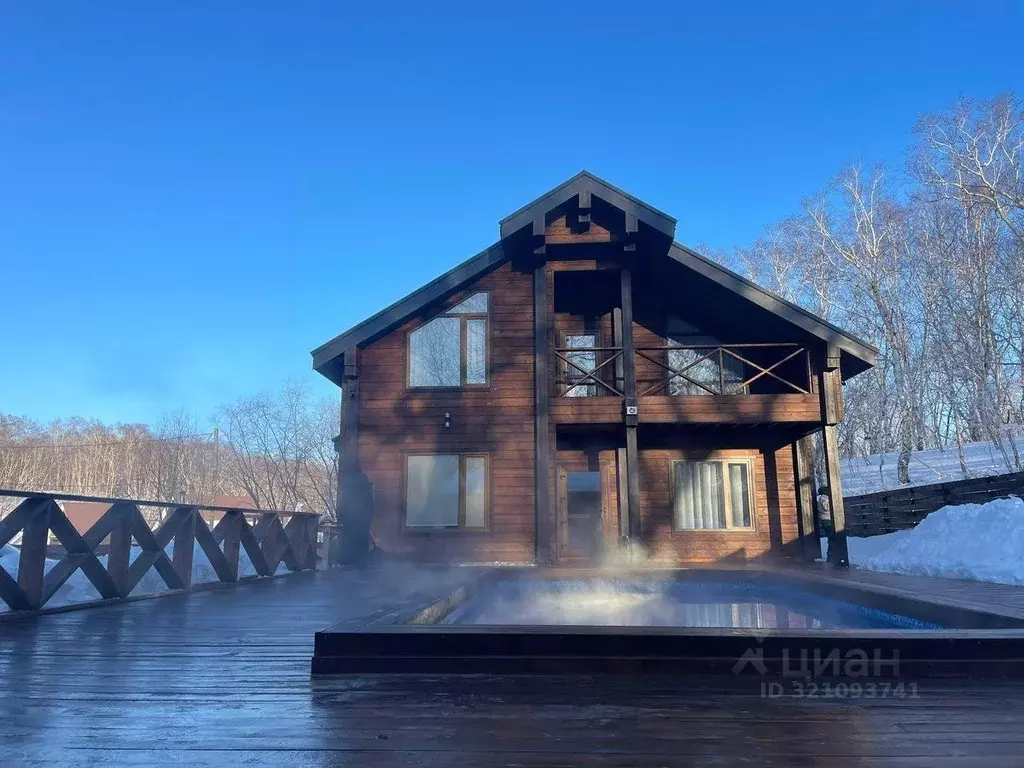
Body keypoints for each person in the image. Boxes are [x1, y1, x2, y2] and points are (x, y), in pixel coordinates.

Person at [340, 469, 374, 567]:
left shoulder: (350, 485)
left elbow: (345, 503)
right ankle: (361, 563)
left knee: (349, 539)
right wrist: (369, 518)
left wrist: (341, 516)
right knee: (362, 540)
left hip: (351, 519)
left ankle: (348, 562)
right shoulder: (367, 487)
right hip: (364, 519)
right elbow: (371, 505)